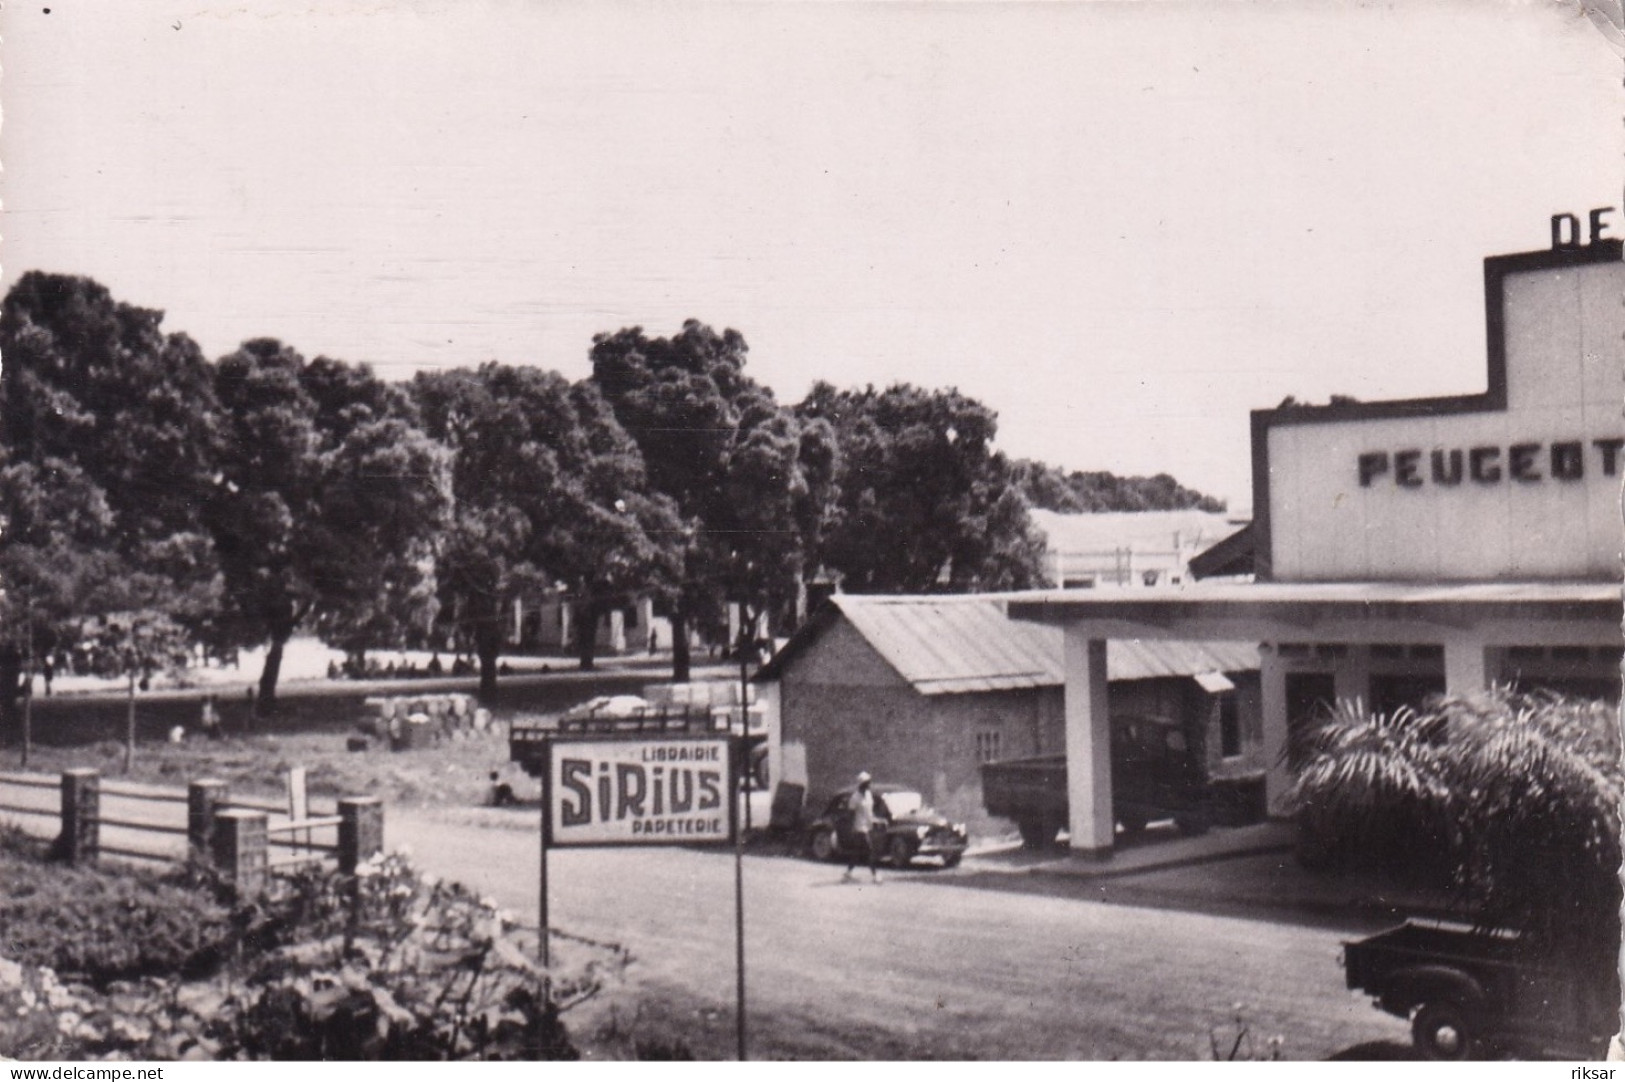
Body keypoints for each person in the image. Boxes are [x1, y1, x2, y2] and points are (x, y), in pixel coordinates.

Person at [843, 771, 891, 883]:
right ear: (862, 784)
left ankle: (848, 873)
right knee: (870, 850)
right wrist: (852, 829)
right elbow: (850, 814)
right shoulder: (855, 798)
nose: (869, 784)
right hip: (859, 829)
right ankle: (875, 875)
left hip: (868, 827)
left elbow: (869, 812)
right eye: (867, 783)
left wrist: (878, 820)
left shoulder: (869, 795)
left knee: (857, 853)